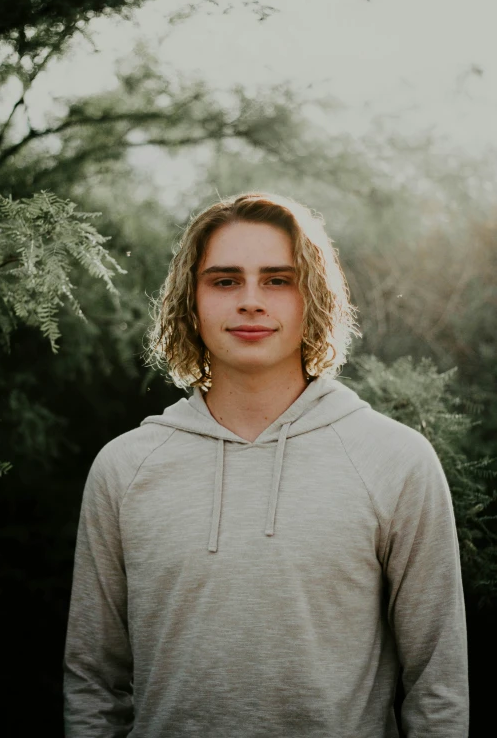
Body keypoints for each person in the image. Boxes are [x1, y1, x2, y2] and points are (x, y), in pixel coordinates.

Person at [63, 192, 469, 737]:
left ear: (314, 297)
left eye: (278, 280)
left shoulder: (395, 461)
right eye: (225, 280)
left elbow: (438, 686)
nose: (251, 301)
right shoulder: (124, 467)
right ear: (191, 300)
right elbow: (92, 680)